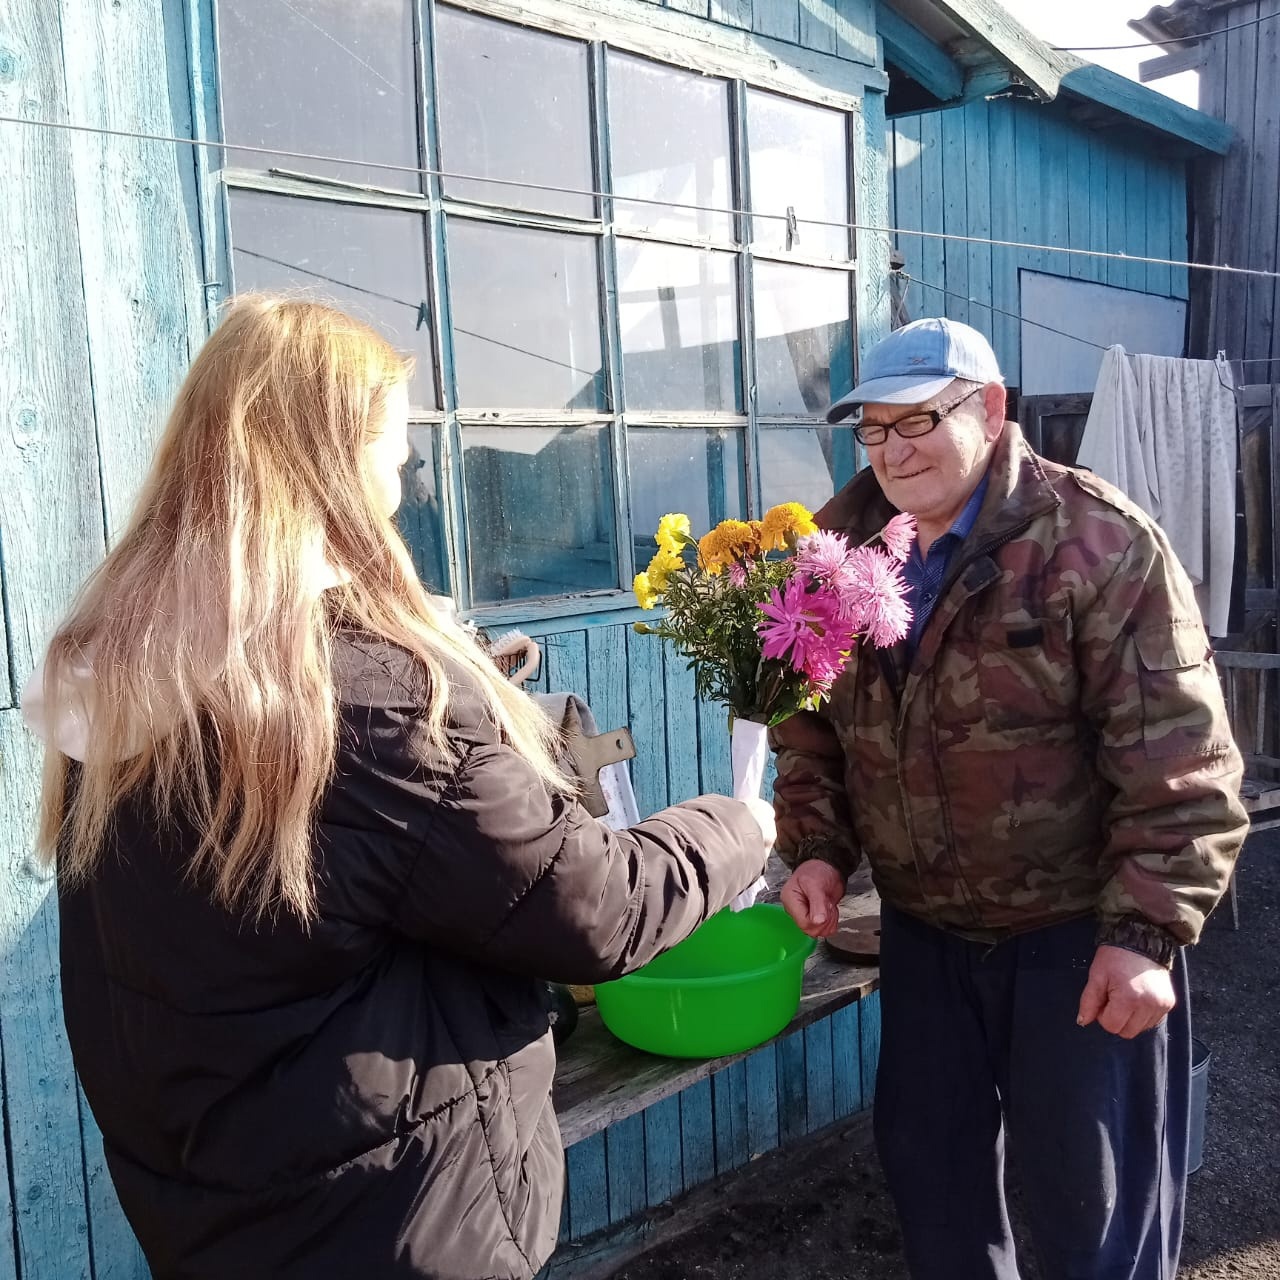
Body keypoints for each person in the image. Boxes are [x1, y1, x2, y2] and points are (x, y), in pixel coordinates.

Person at [22, 296, 774, 1280]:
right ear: (331, 458)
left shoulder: (121, 667)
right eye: (393, 441)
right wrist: (738, 822)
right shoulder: (373, 701)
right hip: (388, 1222)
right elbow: (592, 909)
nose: (403, 470)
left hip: (216, 1205)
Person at [772, 317, 1248, 1280]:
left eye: (920, 421)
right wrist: (819, 846)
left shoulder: (1097, 541)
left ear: (991, 411)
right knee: (935, 1185)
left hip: (1077, 937)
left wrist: (1146, 933)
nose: (895, 451)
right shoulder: (835, 545)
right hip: (924, 936)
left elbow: (1182, 758)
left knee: (1095, 1209)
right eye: (874, 428)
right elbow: (806, 719)